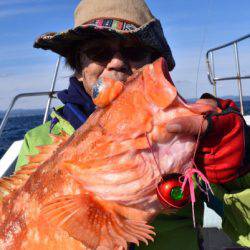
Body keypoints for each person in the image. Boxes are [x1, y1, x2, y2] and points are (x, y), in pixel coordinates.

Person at [15, 0, 250, 249]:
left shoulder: (190, 134)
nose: (116, 62)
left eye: (135, 52)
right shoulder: (39, 141)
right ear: (79, 69)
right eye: (99, 52)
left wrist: (241, 164)